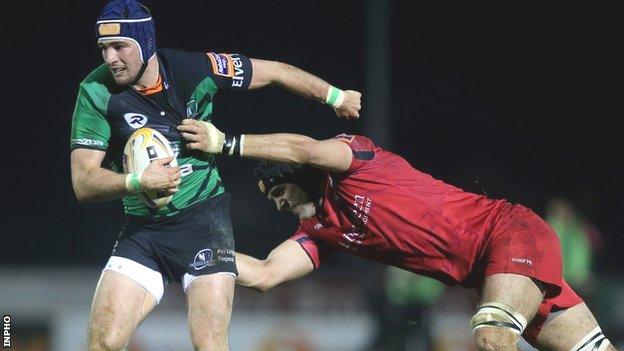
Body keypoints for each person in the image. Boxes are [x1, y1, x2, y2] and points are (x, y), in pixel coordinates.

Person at [69, 1, 361, 350]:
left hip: (203, 224)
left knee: (210, 346)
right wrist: (138, 181)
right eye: (104, 48)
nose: (111, 58)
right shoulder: (95, 92)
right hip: (143, 232)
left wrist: (336, 96)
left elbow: (275, 71)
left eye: (120, 46)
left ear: (145, 43)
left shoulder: (194, 69)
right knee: (102, 343)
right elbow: (83, 182)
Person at [177, 122, 617, 351]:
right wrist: (187, 250)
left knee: (491, 334)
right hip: (493, 272)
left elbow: (304, 149)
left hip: (509, 234)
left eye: (278, 190)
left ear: (302, 178)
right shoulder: (322, 228)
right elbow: (265, 273)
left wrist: (227, 143)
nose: (277, 204)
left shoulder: (358, 163)